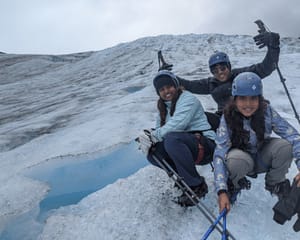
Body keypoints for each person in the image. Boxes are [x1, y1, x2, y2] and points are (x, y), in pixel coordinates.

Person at [213, 72, 300, 213]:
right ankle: (234, 185)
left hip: (261, 156)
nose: (248, 104)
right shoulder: (227, 117)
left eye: (253, 98)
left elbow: (293, 136)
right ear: (235, 99)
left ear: (259, 98)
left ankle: (275, 183)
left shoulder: (267, 111)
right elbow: (219, 153)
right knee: (236, 161)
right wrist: (221, 190)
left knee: (285, 147)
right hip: (241, 160)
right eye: (242, 98)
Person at [137, 70, 216, 206]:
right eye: (162, 89)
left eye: (169, 87)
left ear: (176, 86)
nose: (166, 91)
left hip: (206, 146)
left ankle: (196, 185)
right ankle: (183, 179)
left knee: (172, 139)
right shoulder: (163, 109)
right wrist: (149, 139)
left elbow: (179, 124)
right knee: (153, 153)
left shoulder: (187, 98)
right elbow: (160, 132)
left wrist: (154, 135)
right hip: (189, 147)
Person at [176, 31, 280, 115]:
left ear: (229, 67)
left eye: (223, 68)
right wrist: (166, 75)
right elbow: (189, 85)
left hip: (247, 116)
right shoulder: (210, 83)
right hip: (224, 119)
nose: (220, 72)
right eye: (215, 71)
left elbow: (266, 67)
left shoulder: (242, 76)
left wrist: (274, 46)